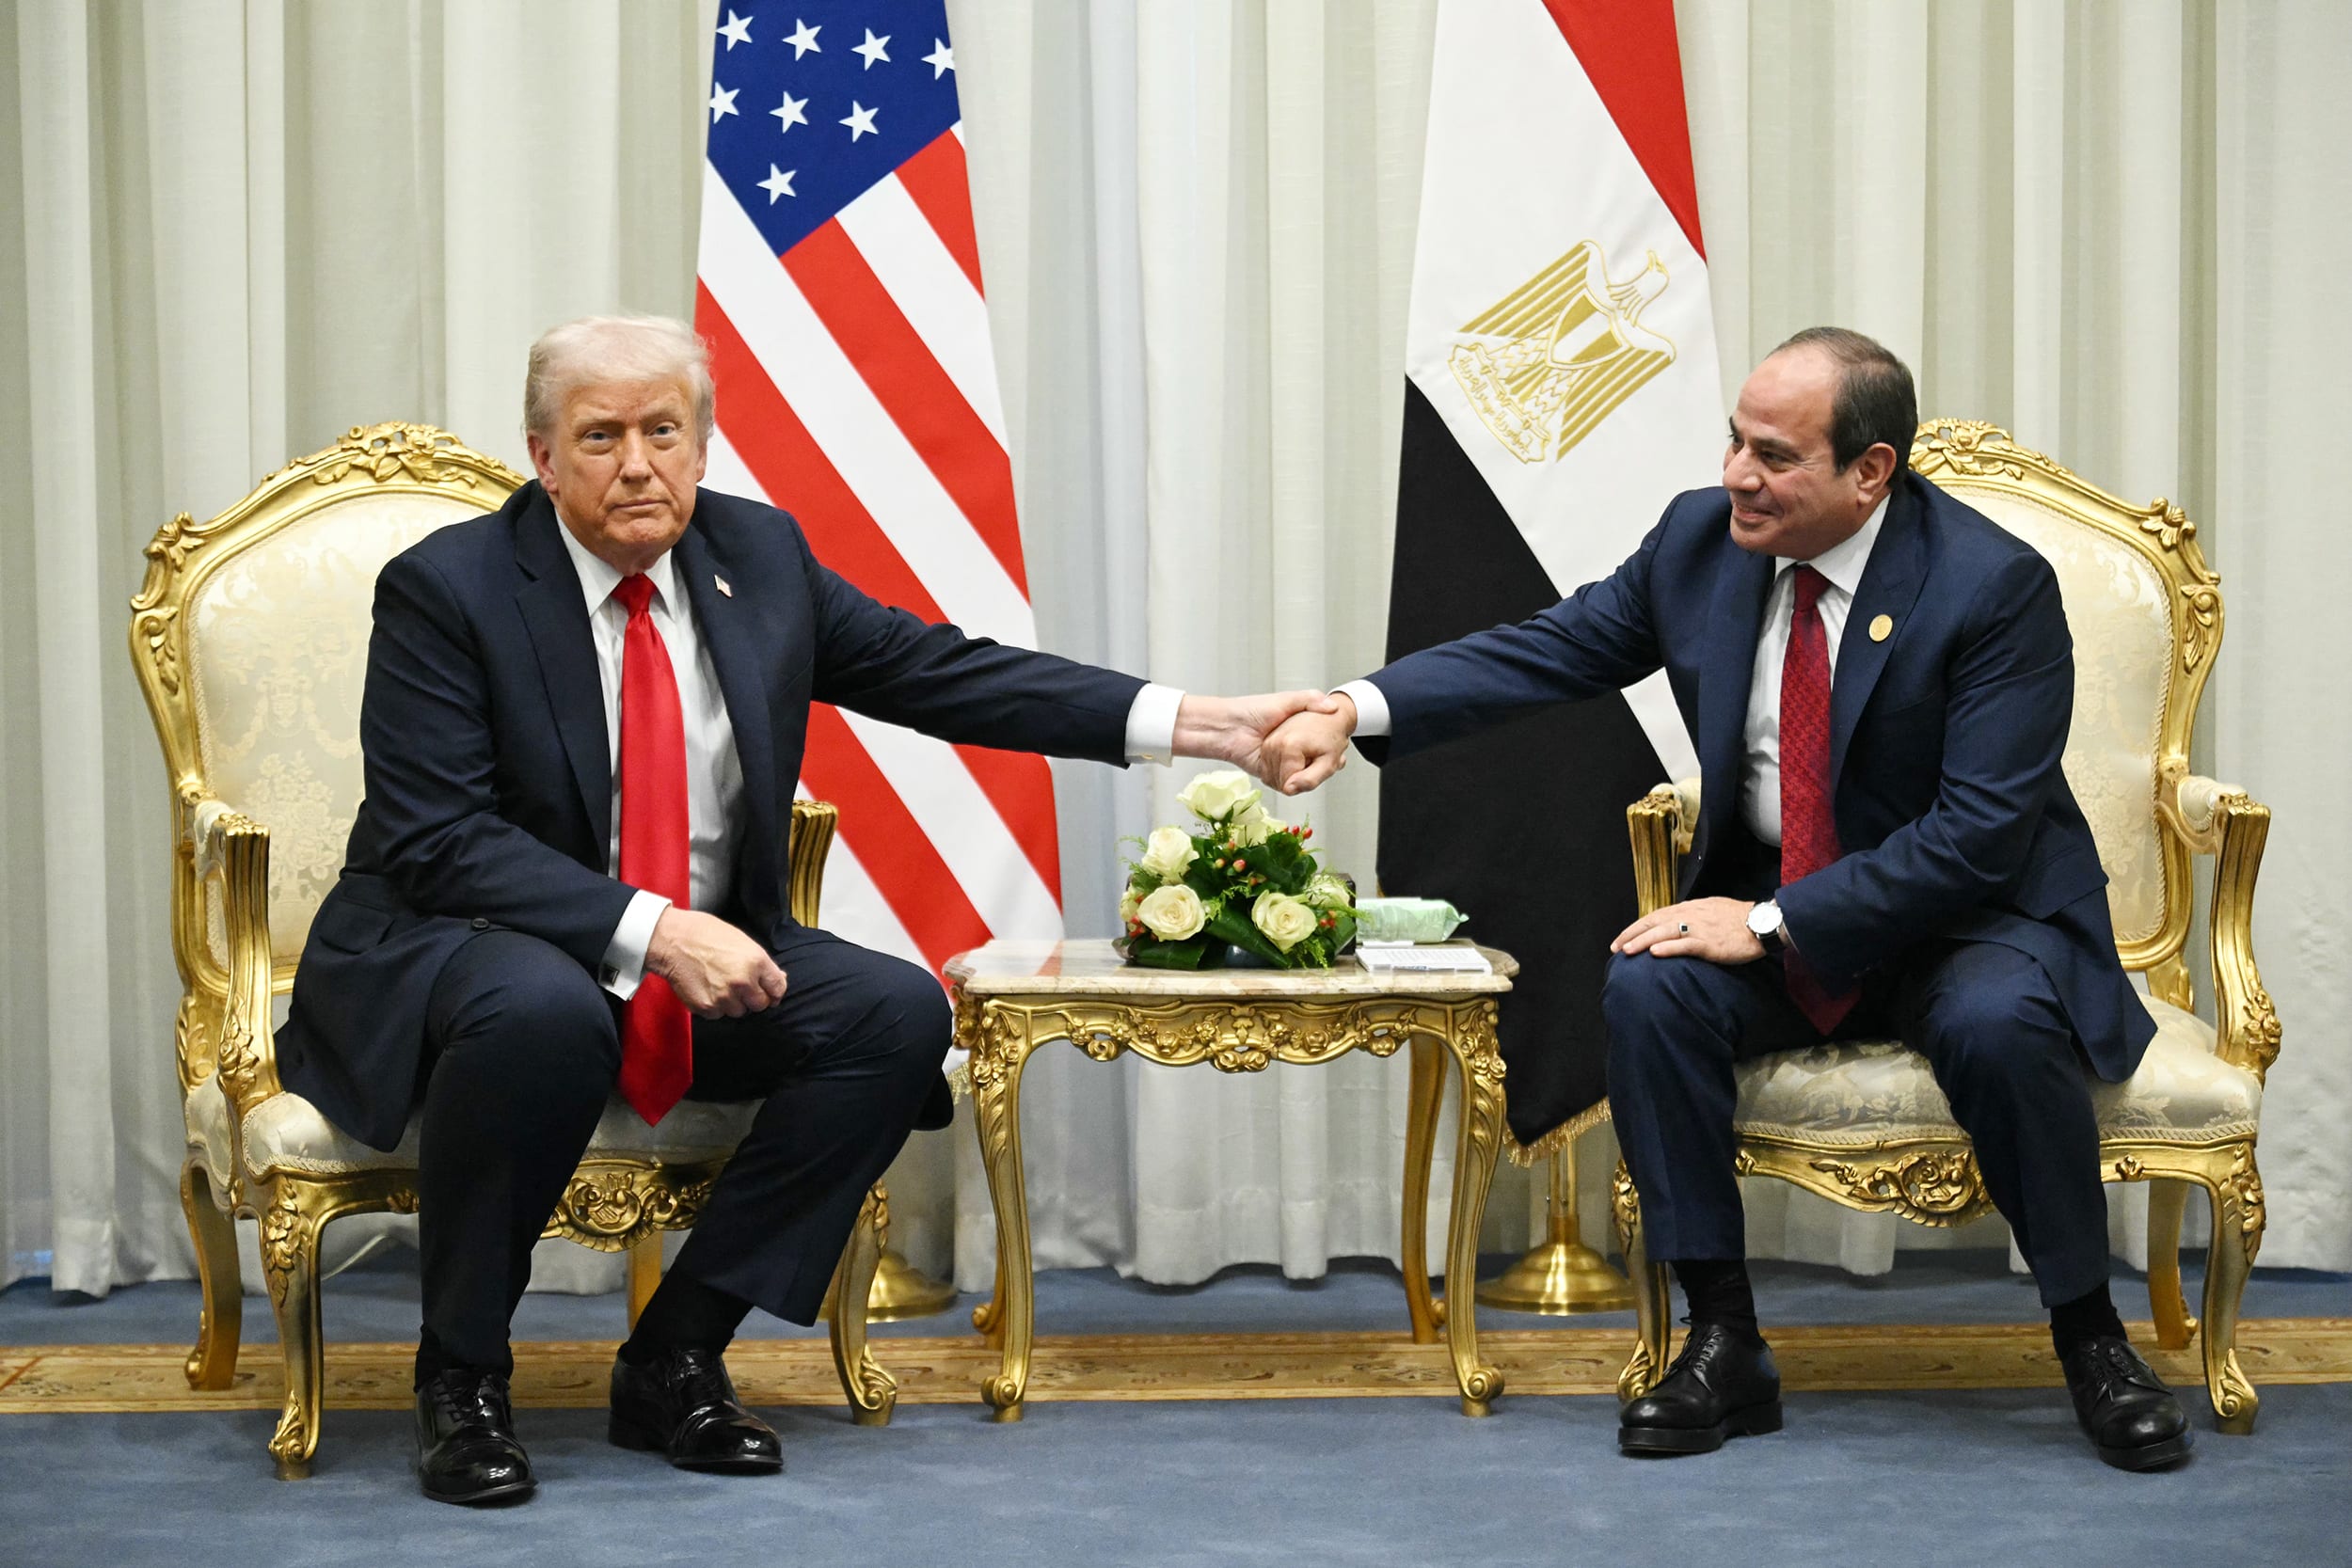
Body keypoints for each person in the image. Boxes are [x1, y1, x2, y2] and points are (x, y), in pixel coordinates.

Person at [279, 314, 1330, 1504]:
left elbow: (947, 672)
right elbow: (439, 838)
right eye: (602, 436)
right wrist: (655, 927)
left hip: (686, 950)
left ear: (702, 442)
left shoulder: (759, 555)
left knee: (890, 1012)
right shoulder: (449, 587)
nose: (639, 464)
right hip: (472, 946)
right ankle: (461, 1374)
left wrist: (1205, 724)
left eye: (664, 431)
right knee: (544, 1009)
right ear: (543, 456)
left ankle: (676, 1352)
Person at [1263, 327, 2190, 1471]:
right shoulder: (1700, 540)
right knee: (1649, 989)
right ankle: (1722, 1338)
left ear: (1870, 470)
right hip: (1786, 900)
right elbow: (1551, 646)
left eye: (1774, 455)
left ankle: (2091, 1339)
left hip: (1965, 917)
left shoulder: (1990, 584)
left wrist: (1763, 922)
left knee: (1998, 1023)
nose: (1736, 475)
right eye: (1735, 442)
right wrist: (1353, 708)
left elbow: (1977, 835)